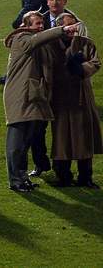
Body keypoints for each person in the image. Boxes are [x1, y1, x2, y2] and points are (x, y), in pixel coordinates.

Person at [3, 11, 80, 192]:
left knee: (26, 142)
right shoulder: (21, 39)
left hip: (34, 96)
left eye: (41, 23)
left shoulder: (40, 43)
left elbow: (56, 60)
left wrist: (70, 41)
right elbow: (34, 42)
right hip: (20, 97)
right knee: (15, 144)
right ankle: (15, 180)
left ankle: (22, 178)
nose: (40, 26)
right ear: (25, 25)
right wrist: (61, 30)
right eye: (36, 23)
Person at [50, 13, 102, 188]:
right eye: (69, 28)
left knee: (84, 138)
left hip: (81, 97)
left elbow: (95, 63)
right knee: (61, 139)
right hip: (61, 98)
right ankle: (63, 176)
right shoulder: (52, 45)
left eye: (74, 26)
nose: (73, 31)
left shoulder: (86, 43)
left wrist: (80, 69)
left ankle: (85, 177)